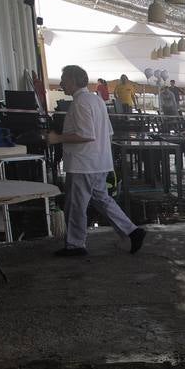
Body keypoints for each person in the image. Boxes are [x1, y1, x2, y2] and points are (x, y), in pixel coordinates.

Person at [45, 64, 145, 258]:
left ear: (73, 81)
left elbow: (86, 134)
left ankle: (75, 245)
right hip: (97, 161)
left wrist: (57, 138)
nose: (61, 84)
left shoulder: (81, 103)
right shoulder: (95, 100)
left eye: (64, 80)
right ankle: (132, 231)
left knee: (75, 205)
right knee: (102, 200)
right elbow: (107, 131)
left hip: (84, 163)